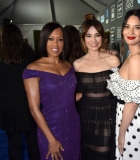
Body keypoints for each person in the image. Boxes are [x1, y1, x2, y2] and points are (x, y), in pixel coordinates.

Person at [22, 22, 80, 160]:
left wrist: (90, 95)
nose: (56, 44)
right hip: (50, 128)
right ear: (44, 40)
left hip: (73, 125)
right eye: (51, 39)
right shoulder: (33, 68)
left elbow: (68, 98)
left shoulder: (69, 66)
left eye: (60, 39)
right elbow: (33, 108)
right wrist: (51, 139)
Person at [106, 9, 140, 160]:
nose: (131, 31)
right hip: (131, 118)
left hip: (132, 122)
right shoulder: (134, 55)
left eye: (137, 27)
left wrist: (122, 132)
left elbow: (133, 102)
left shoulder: (136, 59)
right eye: (127, 26)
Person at [0, 24, 40, 160]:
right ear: (18, 36)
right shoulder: (29, 55)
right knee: (33, 145)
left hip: (7, 110)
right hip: (29, 108)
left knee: (13, 146)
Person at [73, 16, 120, 160]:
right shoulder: (77, 64)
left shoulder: (113, 60)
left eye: (97, 35)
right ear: (83, 38)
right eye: (89, 36)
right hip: (86, 116)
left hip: (108, 115)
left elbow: (122, 89)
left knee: (105, 154)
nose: (93, 40)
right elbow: (76, 93)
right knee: (88, 154)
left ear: (103, 37)